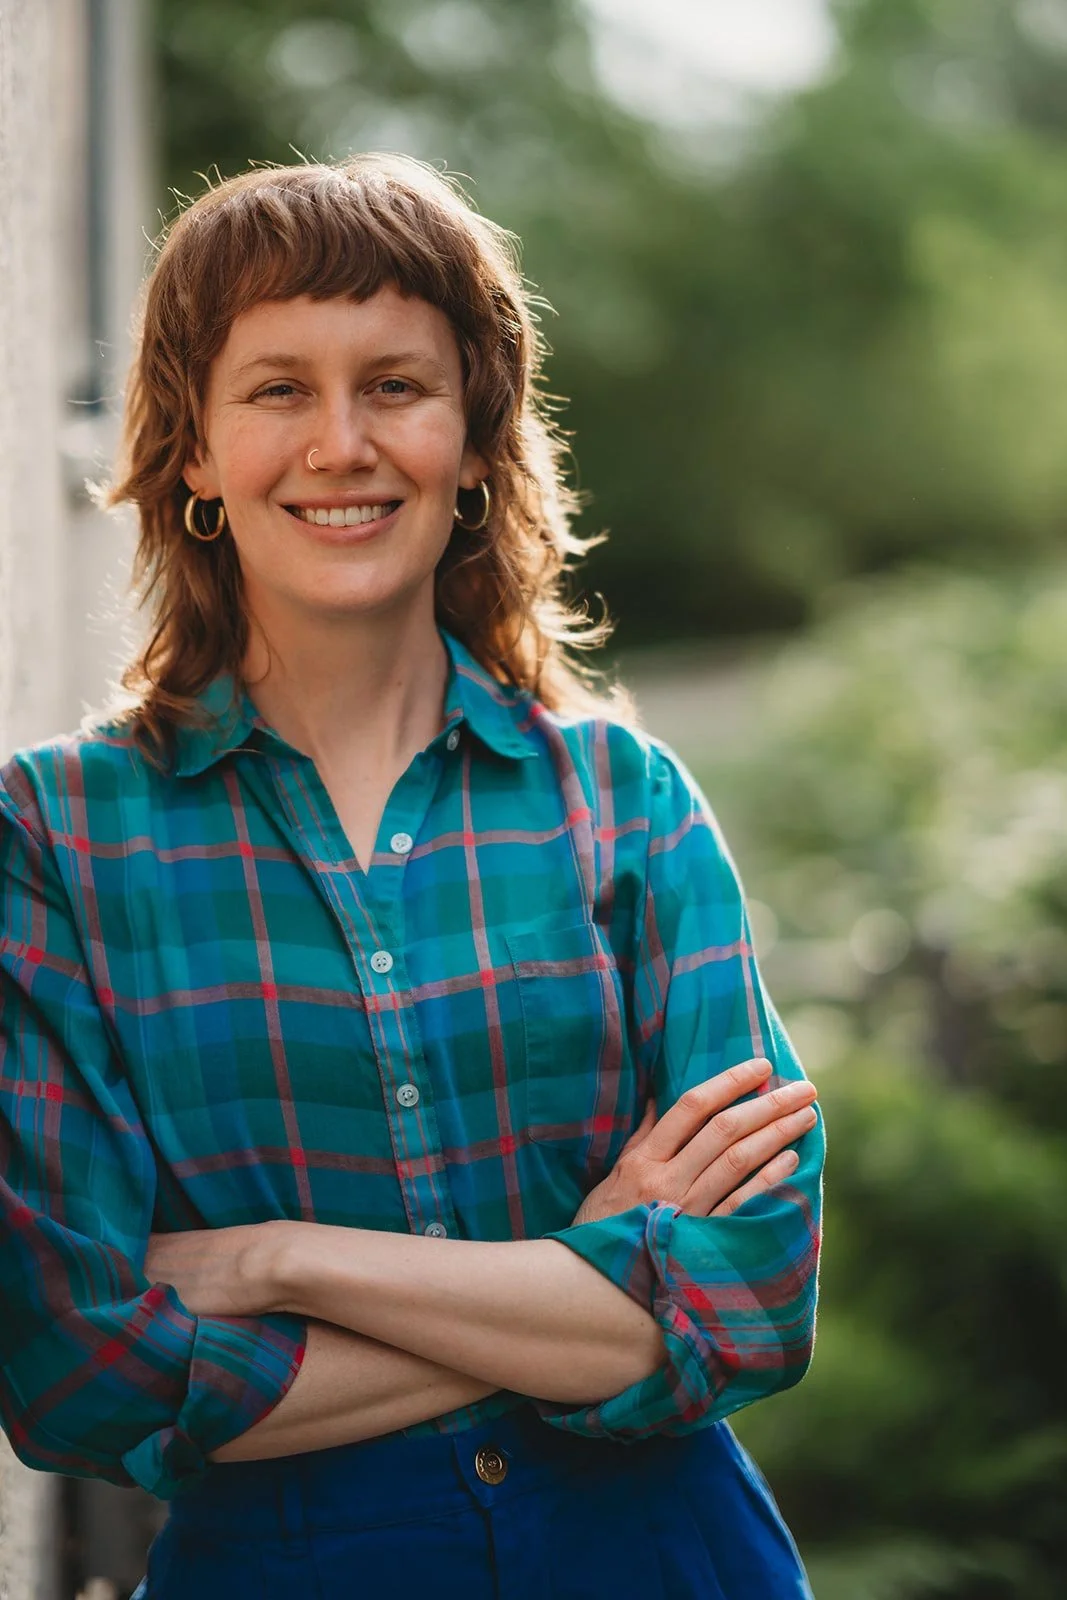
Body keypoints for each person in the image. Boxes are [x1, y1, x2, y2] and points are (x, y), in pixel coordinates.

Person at [0, 155, 823, 1598]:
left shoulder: (622, 807)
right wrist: (583, 1274)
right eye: (276, 391)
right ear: (191, 446)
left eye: (394, 385)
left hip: (663, 1560)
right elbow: (78, 1374)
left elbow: (747, 1302)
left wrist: (270, 1265)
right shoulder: (58, 842)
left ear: (474, 433)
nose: (340, 444)